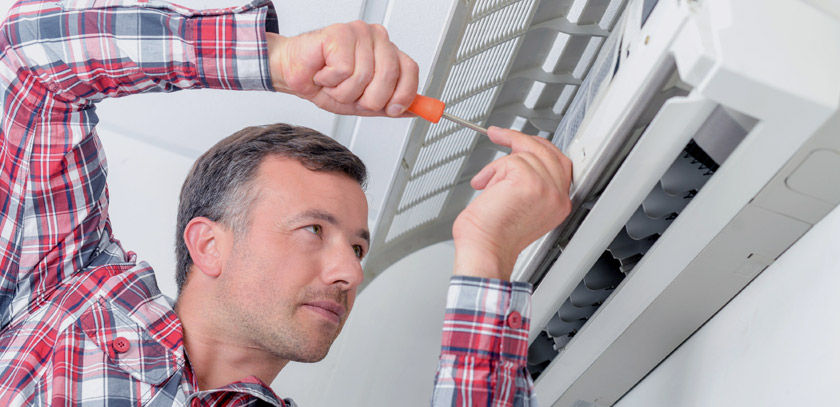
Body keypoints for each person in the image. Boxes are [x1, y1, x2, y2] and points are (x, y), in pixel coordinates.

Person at [0, 0, 572, 406]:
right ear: (209, 244)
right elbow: (27, 61)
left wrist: (488, 260)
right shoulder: (61, 286)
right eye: (313, 231)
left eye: (356, 246)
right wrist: (278, 60)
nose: (350, 271)